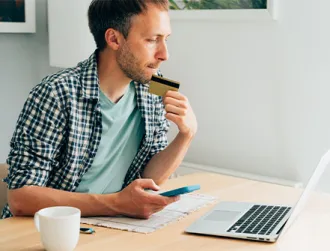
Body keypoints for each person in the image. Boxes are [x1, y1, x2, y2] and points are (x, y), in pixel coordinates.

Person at [1, 0, 197, 219]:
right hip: (47, 229)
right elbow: (20, 198)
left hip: (109, 225)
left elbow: (149, 179)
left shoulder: (154, 87)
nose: (164, 54)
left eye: (165, 40)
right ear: (114, 39)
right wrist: (117, 203)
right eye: (152, 40)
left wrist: (186, 135)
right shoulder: (56, 93)